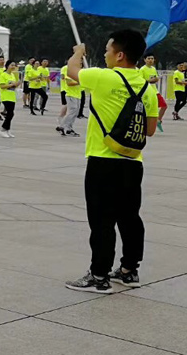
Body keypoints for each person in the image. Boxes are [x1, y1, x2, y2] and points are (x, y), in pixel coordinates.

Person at [64, 31, 159, 293]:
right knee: (130, 217)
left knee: (101, 220)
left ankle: (99, 276)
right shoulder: (147, 88)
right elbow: (150, 130)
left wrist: (78, 52)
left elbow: (73, 71)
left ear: (119, 55)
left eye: (107, 50)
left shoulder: (104, 77)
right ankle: (129, 270)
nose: (105, 54)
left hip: (102, 160)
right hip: (132, 161)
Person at [139, 55, 165, 131]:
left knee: (164, 105)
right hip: (147, 92)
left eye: (152, 59)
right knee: (147, 109)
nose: (150, 60)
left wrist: (156, 79)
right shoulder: (142, 69)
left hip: (155, 91)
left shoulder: (153, 68)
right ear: (145, 60)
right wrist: (151, 80)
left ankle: (158, 120)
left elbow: (156, 78)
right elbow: (141, 81)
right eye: (149, 58)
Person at [58, 61, 83, 137]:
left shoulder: (79, 73)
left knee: (75, 112)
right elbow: (69, 83)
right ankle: (62, 126)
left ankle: (69, 128)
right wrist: (79, 82)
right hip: (70, 94)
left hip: (78, 95)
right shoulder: (70, 73)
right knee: (71, 111)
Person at [0, 61, 20, 138]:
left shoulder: (12, 75)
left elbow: (13, 86)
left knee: (11, 114)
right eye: (12, 65)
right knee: (10, 113)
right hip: (5, 96)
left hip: (12, 96)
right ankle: (3, 129)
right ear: (7, 66)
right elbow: (2, 86)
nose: (13, 66)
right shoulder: (3, 75)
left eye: (14, 65)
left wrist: (16, 85)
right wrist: (12, 84)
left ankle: (7, 129)